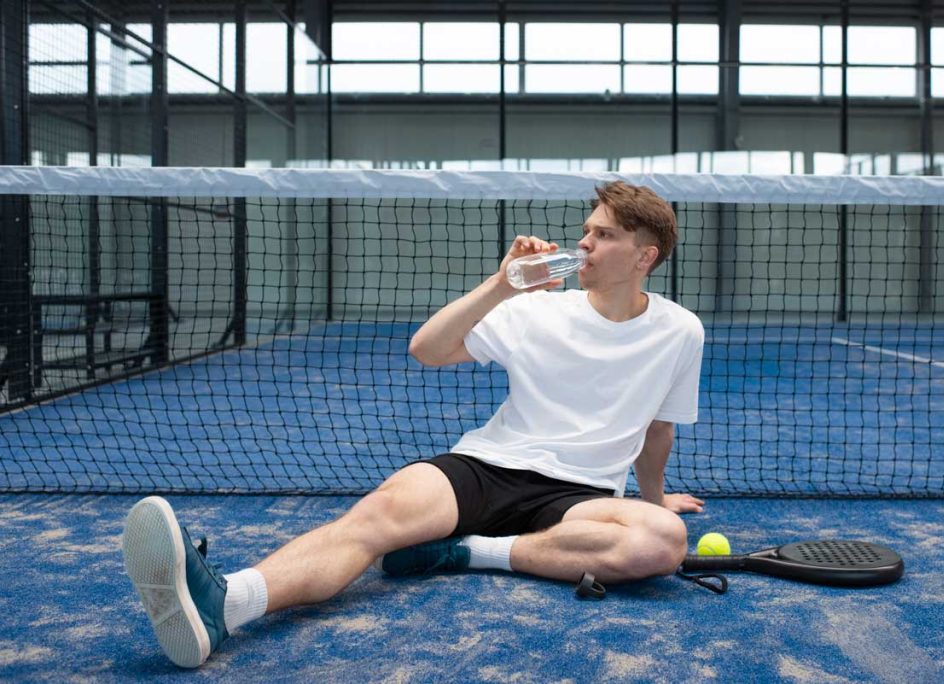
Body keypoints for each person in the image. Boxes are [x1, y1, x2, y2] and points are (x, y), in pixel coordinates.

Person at [122, 180, 706, 669]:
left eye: (604, 235)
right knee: (374, 518)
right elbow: (428, 349)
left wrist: (655, 499)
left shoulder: (680, 331)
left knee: (662, 541)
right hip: (486, 467)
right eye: (587, 230)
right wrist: (502, 284)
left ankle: (470, 552)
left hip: (581, 496)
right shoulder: (535, 309)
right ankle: (226, 603)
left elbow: (658, 428)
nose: (584, 243)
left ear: (644, 256)